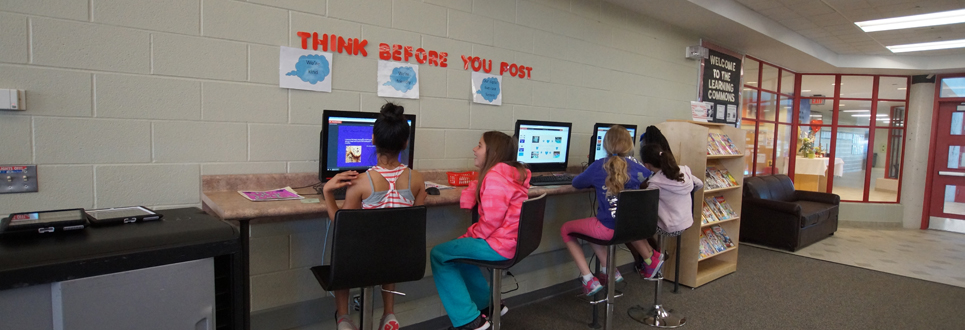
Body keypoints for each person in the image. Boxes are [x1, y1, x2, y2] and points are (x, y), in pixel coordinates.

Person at [322, 102, 427, 330]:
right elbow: (413, 223)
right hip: (399, 260)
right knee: (391, 244)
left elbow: (343, 227)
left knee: (345, 249)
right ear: (405, 143)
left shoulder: (360, 182)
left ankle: (344, 318)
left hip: (361, 263)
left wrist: (327, 193)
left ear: (372, 140)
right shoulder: (418, 180)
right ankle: (389, 314)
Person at [430, 131, 531, 330]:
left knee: (439, 254)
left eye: (479, 145)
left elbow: (490, 224)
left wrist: (469, 235)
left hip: (499, 245)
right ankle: (489, 305)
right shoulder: (509, 175)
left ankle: (469, 321)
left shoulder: (495, 177)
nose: (474, 150)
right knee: (458, 254)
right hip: (512, 242)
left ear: (492, 152)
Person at [561, 125, 653, 296]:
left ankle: (588, 279)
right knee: (592, 226)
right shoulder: (637, 165)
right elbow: (648, 176)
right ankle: (610, 269)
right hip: (629, 229)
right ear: (629, 145)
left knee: (567, 229)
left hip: (607, 229)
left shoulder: (598, 166)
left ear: (605, 145)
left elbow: (576, 183)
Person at [636, 126, 703, 278]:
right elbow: (698, 184)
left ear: (647, 165)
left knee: (629, 226)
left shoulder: (654, 183)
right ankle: (655, 256)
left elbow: (645, 204)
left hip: (668, 227)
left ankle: (651, 257)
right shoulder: (683, 170)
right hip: (686, 222)